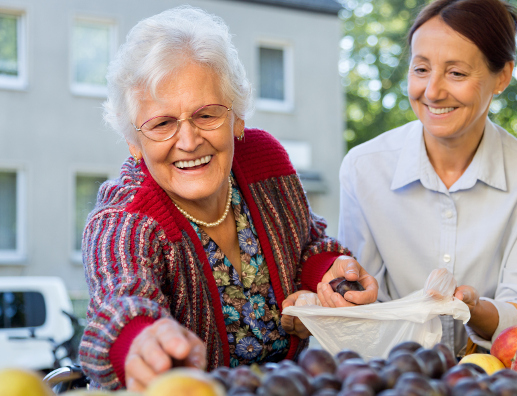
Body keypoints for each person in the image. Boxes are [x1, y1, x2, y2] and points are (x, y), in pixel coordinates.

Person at [78, 6, 377, 391]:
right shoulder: (124, 220)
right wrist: (140, 341)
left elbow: (306, 241)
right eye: (162, 124)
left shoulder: (263, 160)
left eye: (207, 115)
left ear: (237, 117)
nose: (188, 142)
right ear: (133, 142)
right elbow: (120, 302)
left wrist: (329, 274)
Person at [338, 0, 517, 355]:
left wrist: (473, 310)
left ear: (502, 76)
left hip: (489, 379)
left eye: (456, 73)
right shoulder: (363, 168)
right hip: (391, 375)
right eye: (421, 69)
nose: (433, 91)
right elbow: (359, 304)